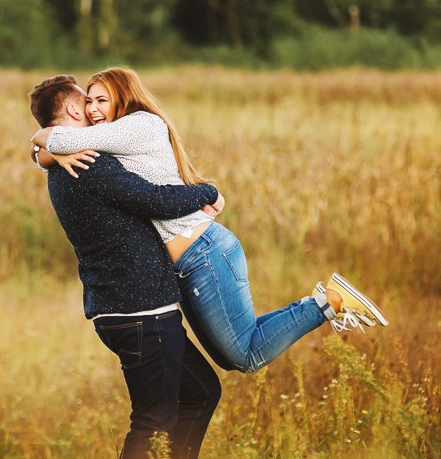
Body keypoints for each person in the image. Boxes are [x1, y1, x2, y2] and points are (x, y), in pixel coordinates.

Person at [31, 67, 389, 376]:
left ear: (124, 97)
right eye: (89, 102)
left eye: (101, 101)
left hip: (203, 253)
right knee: (231, 357)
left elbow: (59, 137)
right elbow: (60, 145)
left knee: (246, 356)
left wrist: (40, 141)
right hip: (185, 264)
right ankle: (319, 302)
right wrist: (47, 154)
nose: (92, 109)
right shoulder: (110, 137)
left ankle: (331, 302)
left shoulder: (138, 125)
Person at [28, 74, 223, 459]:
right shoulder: (90, 163)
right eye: (88, 102)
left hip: (126, 309)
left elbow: (44, 148)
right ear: (73, 110)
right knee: (153, 419)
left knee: (200, 392)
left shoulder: (63, 163)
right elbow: (157, 201)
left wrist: (41, 150)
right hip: (141, 313)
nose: (95, 111)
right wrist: (208, 191)